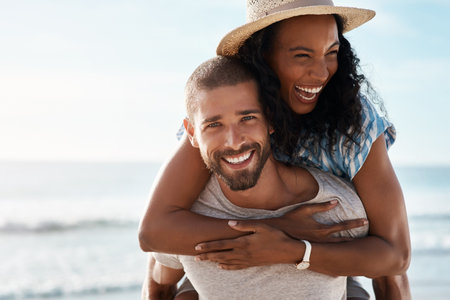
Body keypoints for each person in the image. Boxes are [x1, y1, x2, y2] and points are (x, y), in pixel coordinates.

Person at [139, 1, 411, 299]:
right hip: (222, 258)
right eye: (302, 55)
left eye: (331, 53)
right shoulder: (229, 107)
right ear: (262, 54)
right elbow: (156, 231)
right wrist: (277, 228)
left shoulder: (353, 121)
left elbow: (395, 255)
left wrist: (293, 250)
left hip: (328, 256)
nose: (321, 73)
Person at [151, 56, 371, 299]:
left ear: (271, 120)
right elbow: (158, 284)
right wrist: (279, 227)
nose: (234, 141)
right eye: (214, 125)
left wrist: (299, 250)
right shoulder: (186, 217)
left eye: (247, 118)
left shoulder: (335, 209)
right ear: (191, 132)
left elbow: (391, 272)